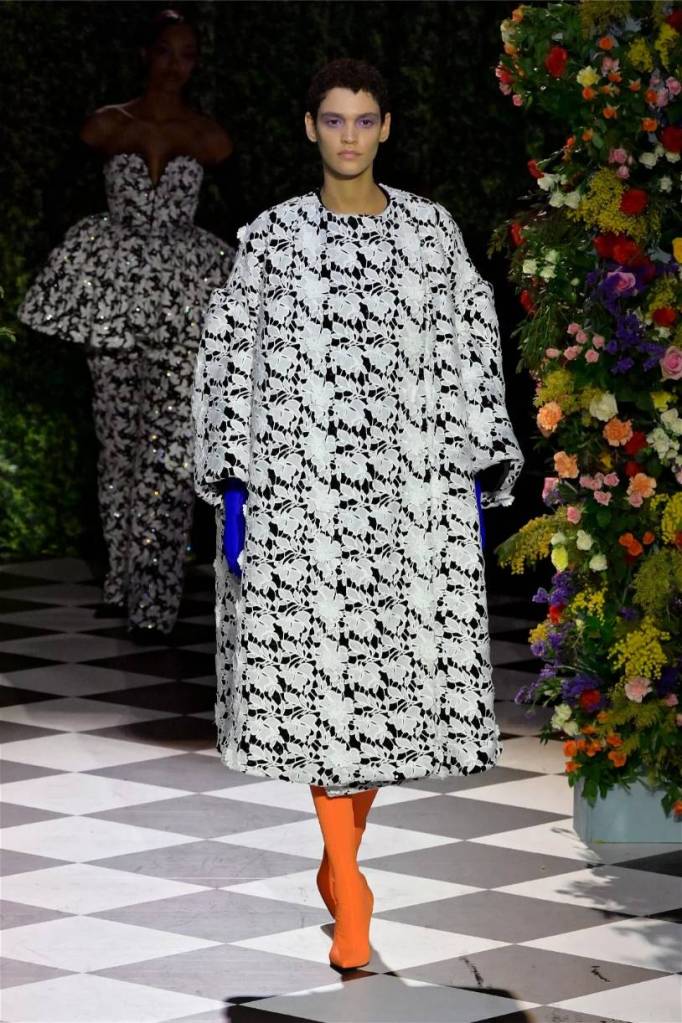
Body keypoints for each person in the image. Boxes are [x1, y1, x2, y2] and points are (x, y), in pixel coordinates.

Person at [192, 58, 523, 970]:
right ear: (310, 128)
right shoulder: (269, 238)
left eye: (364, 120)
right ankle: (351, 885)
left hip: (411, 498)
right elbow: (228, 357)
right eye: (333, 120)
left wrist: (474, 468)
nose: (349, 135)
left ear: (386, 128)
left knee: (387, 686)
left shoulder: (430, 231)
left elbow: (470, 346)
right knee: (317, 685)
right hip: (301, 497)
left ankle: (341, 861)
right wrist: (232, 484)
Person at [19, 8, 235, 641]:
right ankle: (121, 579)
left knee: (169, 447)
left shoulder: (209, 136)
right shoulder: (106, 124)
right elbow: (62, 191)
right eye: (166, 51)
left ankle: (155, 597)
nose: (176, 65)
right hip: (112, 296)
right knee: (117, 443)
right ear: (146, 54)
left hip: (184, 296)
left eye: (187, 55)